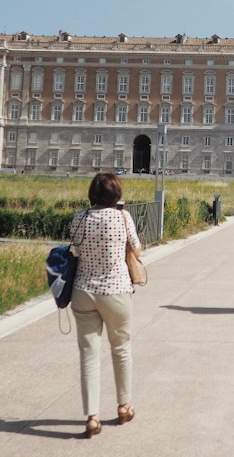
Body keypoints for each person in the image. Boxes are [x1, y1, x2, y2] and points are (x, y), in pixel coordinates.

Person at [69, 172, 143, 438]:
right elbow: (137, 250)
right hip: (116, 291)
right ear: (117, 195)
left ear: (92, 195)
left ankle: (92, 417)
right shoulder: (123, 217)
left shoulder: (80, 217)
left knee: (89, 355)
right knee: (121, 349)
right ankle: (124, 406)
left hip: (83, 291)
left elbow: (75, 247)